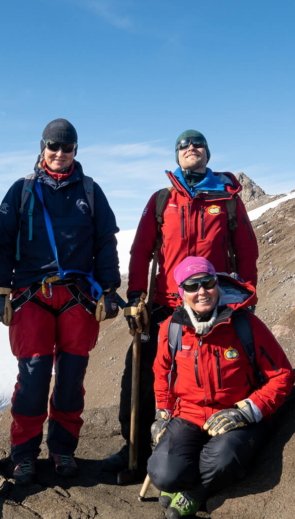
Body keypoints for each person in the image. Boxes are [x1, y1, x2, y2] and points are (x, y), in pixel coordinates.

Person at [104, 129, 260, 474]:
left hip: (211, 303)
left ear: (207, 153)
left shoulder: (228, 199)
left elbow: (246, 250)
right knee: (142, 375)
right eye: (184, 145)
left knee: (209, 375)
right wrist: (134, 297)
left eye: (198, 143)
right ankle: (134, 449)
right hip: (165, 304)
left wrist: (246, 294)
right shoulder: (162, 200)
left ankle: (199, 446)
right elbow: (141, 249)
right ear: (176, 155)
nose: (192, 148)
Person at [0, 118, 122, 484]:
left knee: (71, 379)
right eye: (54, 146)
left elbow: (104, 244)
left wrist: (110, 291)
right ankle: (25, 455)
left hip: (78, 297)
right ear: (42, 148)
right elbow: (2, 245)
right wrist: (0, 291)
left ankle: (63, 450)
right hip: (32, 295)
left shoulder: (91, 192)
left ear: (76, 151)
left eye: (67, 148)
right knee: (32, 378)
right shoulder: (22, 191)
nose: (60, 153)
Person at [148, 256, 294, 519]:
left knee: (222, 460)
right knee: (162, 473)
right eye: (192, 286)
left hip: (238, 417)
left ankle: (195, 492)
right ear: (182, 293)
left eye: (208, 283)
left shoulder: (245, 324)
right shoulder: (172, 328)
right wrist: (162, 413)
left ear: (217, 284)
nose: (201, 291)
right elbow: (163, 374)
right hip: (189, 414)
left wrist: (247, 412)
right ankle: (180, 480)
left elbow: (283, 376)